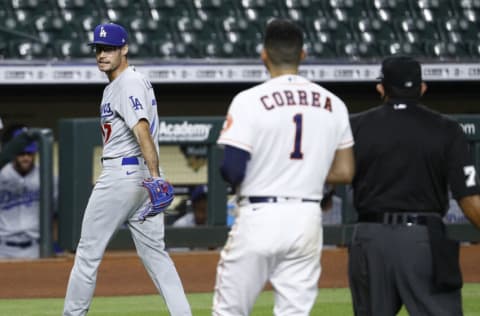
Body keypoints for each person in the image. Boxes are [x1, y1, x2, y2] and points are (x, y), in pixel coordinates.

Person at [213, 18, 355, 316]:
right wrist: (307, 171)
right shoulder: (334, 104)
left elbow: (232, 170)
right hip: (307, 217)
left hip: (259, 214)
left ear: (264, 54)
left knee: (229, 312)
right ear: (303, 55)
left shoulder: (248, 101)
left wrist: (271, 167)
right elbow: (344, 172)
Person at [63, 23, 191, 316]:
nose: (102, 54)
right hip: (140, 180)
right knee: (157, 256)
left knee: (87, 254)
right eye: (98, 48)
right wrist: (152, 177)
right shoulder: (126, 82)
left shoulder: (127, 82)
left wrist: (156, 175)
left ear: (124, 49)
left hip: (124, 176)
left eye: (109, 48)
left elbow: (141, 128)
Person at [349, 56, 480, 316]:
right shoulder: (447, 129)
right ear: (422, 88)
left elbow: (334, 177)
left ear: (381, 88)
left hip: (369, 238)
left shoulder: (354, 126)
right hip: (422, 240)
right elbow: (469, 200)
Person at [0, 125, 48, 259]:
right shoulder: (2, 173)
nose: (26, 158)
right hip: (3, 248)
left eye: (30, 153)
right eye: (21, 154)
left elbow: (55, 214)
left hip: (34, 248)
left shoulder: (45, 176)